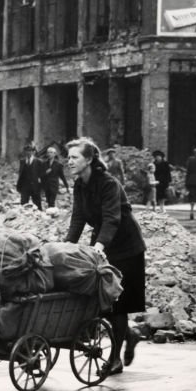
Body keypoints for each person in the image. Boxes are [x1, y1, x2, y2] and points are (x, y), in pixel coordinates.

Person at [65, 137, 146, 374]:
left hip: (126, 246)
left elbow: (112, 218)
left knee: (116, 305)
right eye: (68, 157)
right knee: (100, 302)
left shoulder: (108, 183)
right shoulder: (80, 184)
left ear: (89, 159)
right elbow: (78, 218)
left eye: (74, 157)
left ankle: (115, 360)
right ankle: (129, 336)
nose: (69, 161)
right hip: (103, 242)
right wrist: (66, 246)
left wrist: (99, 245)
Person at [40, 145, 68, 209]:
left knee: (52, 201)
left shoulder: (58, 165)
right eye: (48, 152)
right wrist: (45, 173)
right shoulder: (44, 164)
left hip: (54, 185)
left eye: (51, 152)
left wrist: (66, 186)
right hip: (46, 185)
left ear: (54, 154)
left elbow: (62, 176)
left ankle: (51, 213)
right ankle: (50, 214)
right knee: (48, 200)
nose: (49, 154)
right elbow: (40, 175)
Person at [16, 144, 43, 209]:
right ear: (25, 152)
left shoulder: (38, 161)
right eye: (27, 151)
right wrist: (20, 185)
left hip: (35, 186)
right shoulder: (22, 161)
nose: (28, 152)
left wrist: (41, 186)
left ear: (33, 152)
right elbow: (21, 173)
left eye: (30, 151)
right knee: (23, 204)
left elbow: (42, 175)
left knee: (37, 205)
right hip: (25, 186)